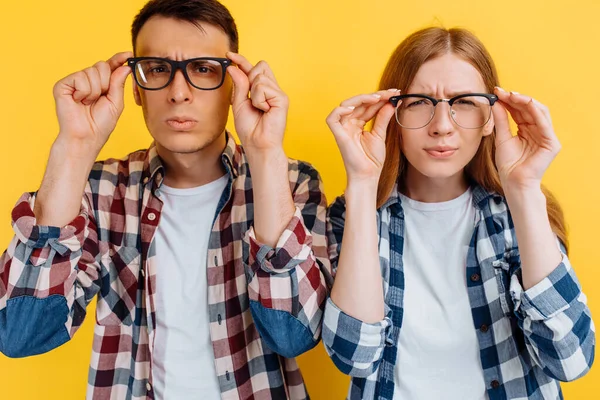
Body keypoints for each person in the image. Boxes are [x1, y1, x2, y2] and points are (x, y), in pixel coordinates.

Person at [0, 1, 332, 399]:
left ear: (234, 86)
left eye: (204, 69)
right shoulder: (100, 190)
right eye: (158, 69)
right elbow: (20, 332)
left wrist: (264, 154)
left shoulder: (290, 181)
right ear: (136, 87)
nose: (179, 93)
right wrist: (73, 147)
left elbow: (294, 334)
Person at [322, 27, 595, 400]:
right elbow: (354, 356)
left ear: (490, 118)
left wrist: (525, 189)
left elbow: (571, 358)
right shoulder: (350, 216)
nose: (442, 126)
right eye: (419, 101)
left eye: (464, 102)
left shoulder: (519, 213)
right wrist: (363, 182)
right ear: (392, 113)